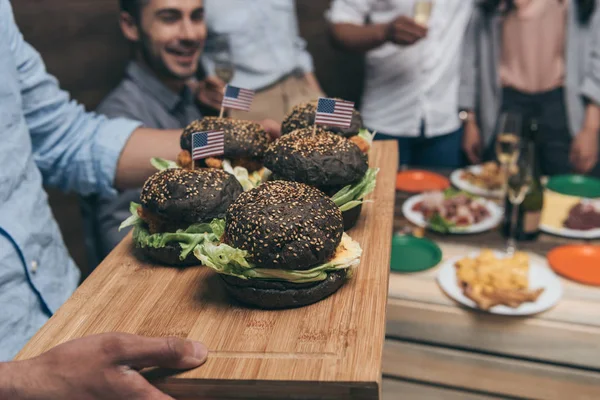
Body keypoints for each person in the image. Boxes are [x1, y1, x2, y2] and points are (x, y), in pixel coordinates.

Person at [0, 0, 210, 395]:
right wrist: (23, 380)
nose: (189, 32)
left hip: (70, 317)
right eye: (169, 16)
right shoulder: (129, 101)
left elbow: (67, 139)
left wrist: (221, 144)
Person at [460, 0, 600, 177]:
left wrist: (590, 128)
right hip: (506, 106)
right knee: (502, 185)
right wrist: (469, 119)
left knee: (562, 187)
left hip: (561, 105)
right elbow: (470, 59)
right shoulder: (490, 6)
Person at [327, 0, 473, 168]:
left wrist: (471, 116)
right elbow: (337, 30)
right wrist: (384, 32)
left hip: (445, 122)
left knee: (447, 194)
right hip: (385, 119)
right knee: (377, 193)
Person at [199, 0, 325, 123]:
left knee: (338, 134)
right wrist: (195, 87)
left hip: (299, 84)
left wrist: (317, 92)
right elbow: (186, 41)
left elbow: (295, 43)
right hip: (247, 99)